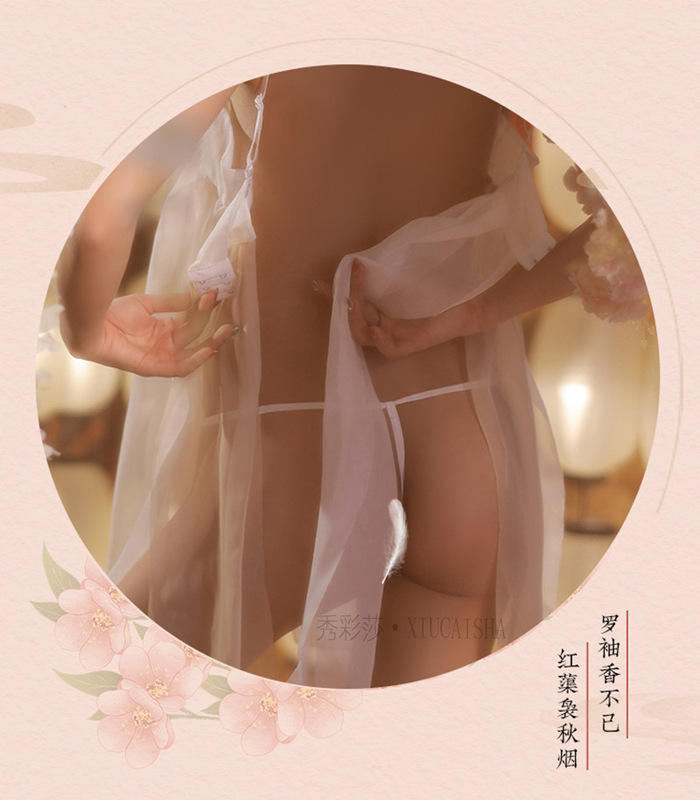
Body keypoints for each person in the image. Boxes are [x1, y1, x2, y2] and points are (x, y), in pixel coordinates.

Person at [58, 65, 643, 689]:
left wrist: (86, 329)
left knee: (100, 691)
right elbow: (640, 226)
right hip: (464, 450)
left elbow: (103, 217)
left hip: (298, 458)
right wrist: (477, 310)